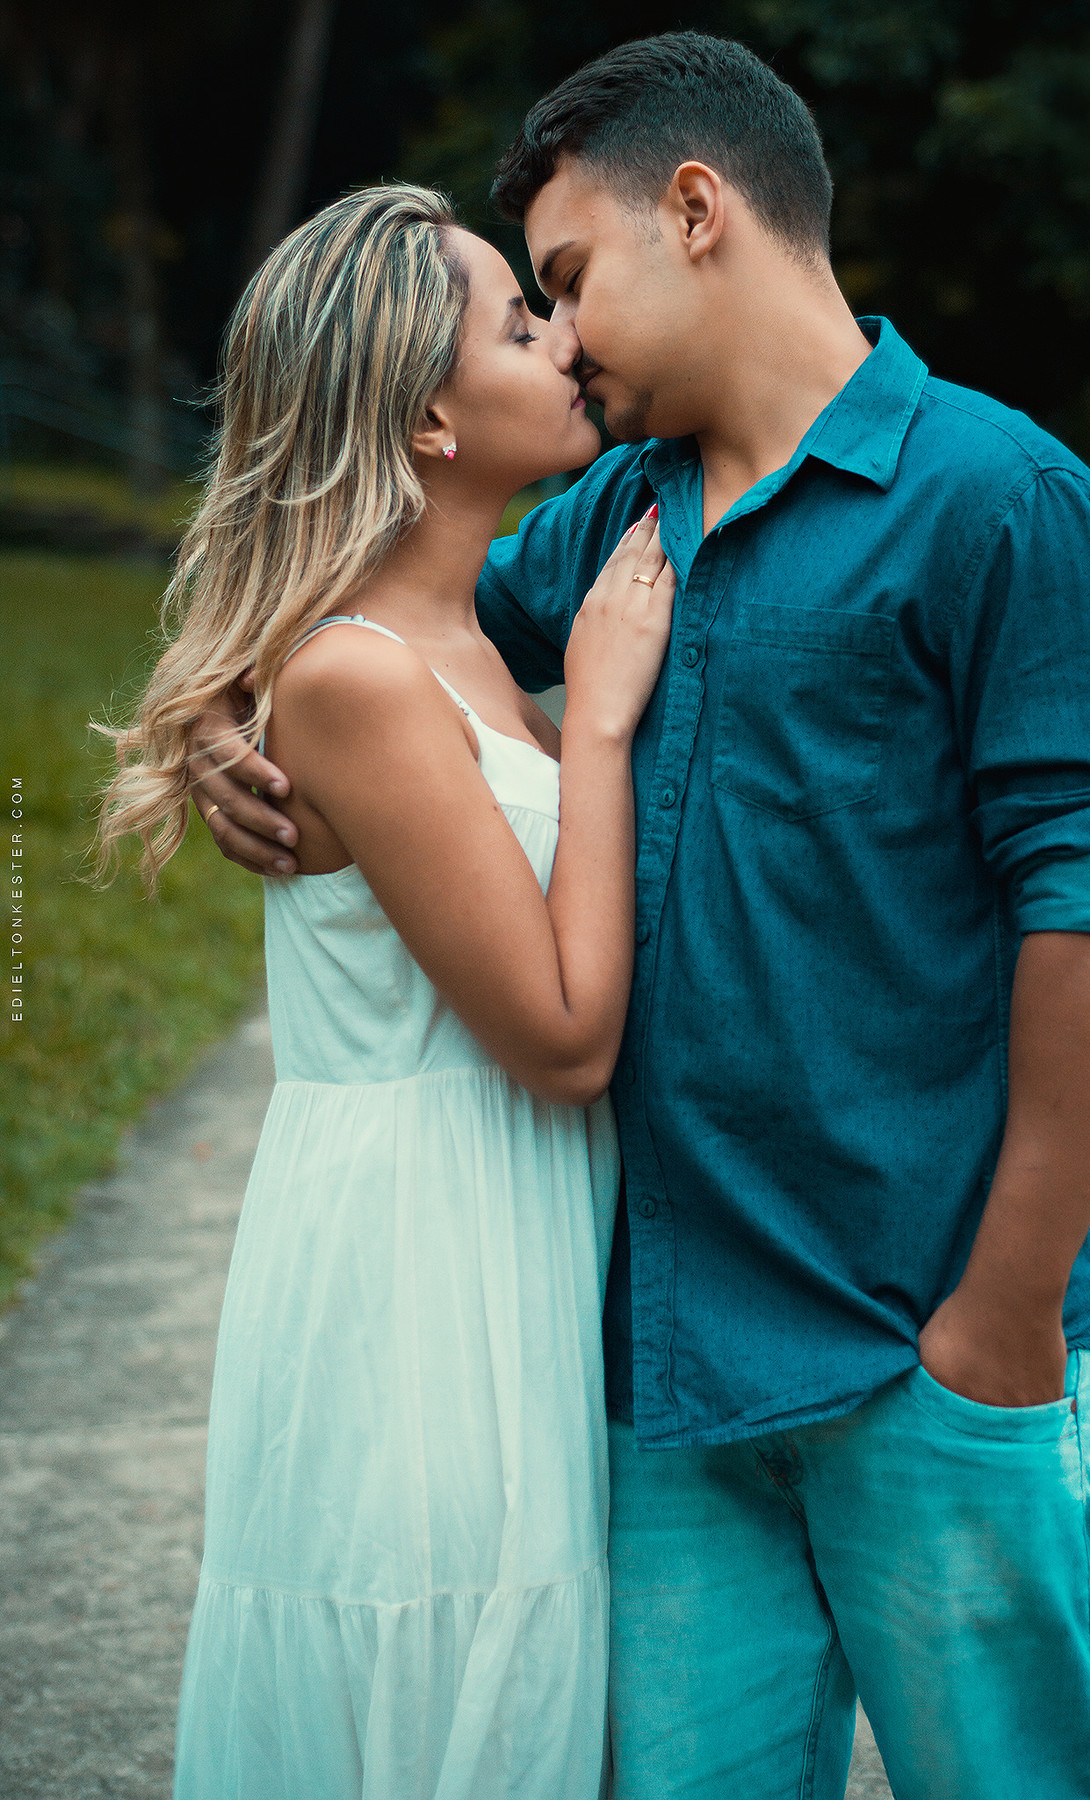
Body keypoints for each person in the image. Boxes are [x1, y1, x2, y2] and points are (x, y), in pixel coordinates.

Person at [190, 35, 1090, 1800]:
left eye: (566, 283)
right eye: (532, 310)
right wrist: (222, 725)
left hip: (929, 1348)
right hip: (664, 1380)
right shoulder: (597, 533)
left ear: (700, 212)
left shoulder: (1000, 501)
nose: (559, 340)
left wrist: (1005, 1315)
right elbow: (369, 622)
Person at [92, 183, 676, 1799]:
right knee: (442, 1677)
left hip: (503, 1234)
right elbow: (561, 1040)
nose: (565, 337)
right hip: (423, 1277)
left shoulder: (471, 635)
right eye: (519, 319)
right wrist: (607, 724)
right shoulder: (358, 676)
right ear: (427, 414)